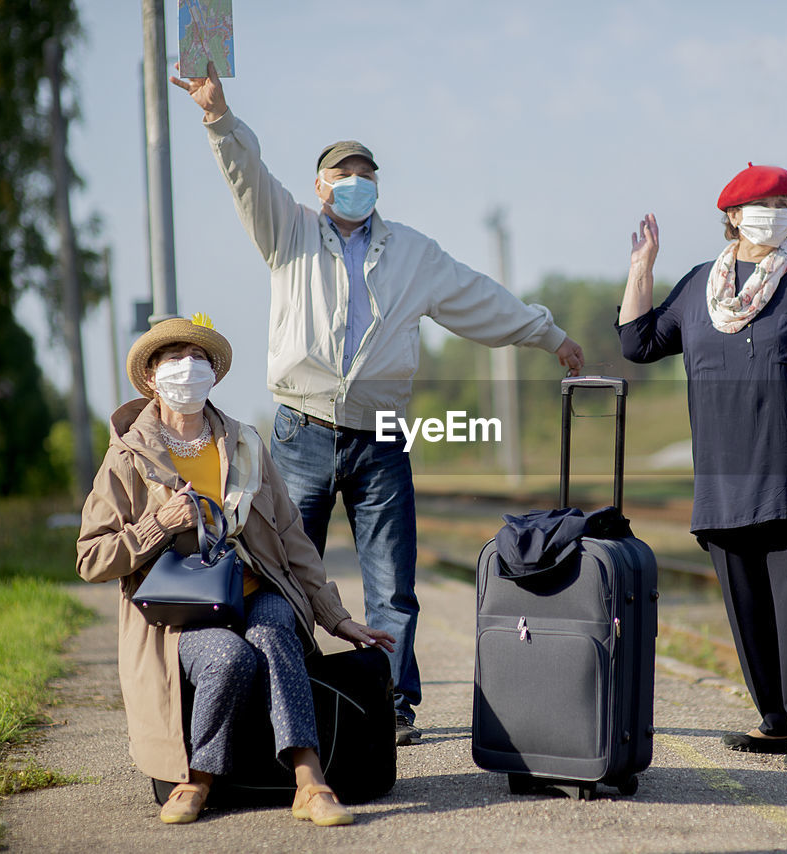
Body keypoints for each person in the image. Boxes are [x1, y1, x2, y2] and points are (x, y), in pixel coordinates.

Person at [169, 63, 585, 745]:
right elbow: (247, 177)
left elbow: (481, 300)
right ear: (319, 186)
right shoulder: (289, 232)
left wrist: (550, 335)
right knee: (283, 571)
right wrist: (219, 118)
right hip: (302, 431)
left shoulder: (413, 253)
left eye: (365, 173)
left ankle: (391, 704)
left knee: (391, 582)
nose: (354, 182)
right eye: (341, 173)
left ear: (376, 185)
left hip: (381, 435)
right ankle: (294, 690)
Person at [76, 315, 395, 825]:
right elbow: (91, 557)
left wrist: (336, 617)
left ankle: (309, 781)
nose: (189, 368)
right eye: (174, 359)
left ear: (214, 375)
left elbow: (293, 540)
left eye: (199, 358)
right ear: (152, 377)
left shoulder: (246, 444)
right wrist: (157, 525)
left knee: (273, 632)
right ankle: (198, 779)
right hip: (183, 611)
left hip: (256, 589)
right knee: (228, 658)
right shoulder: (127, 458)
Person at [617, 162, 787, 770]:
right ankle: (775, 721)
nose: (774, 211)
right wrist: (641, 270)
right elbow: (637, 342)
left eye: (784, 201)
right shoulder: (700, 286)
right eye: (762, 203)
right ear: (731, 217)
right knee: (749, 611)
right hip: (722, 481)